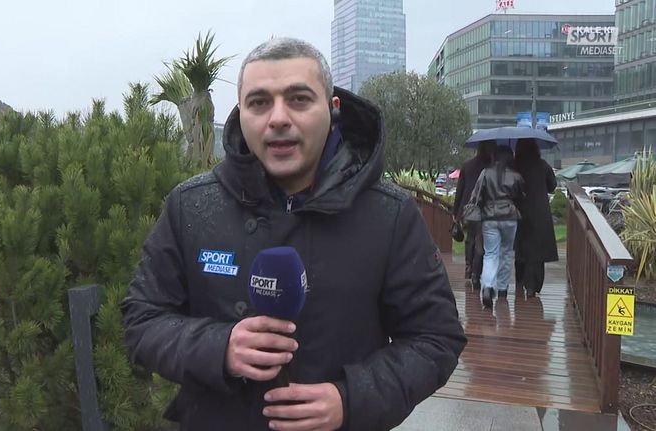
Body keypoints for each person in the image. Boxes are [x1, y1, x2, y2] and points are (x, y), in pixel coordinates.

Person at [120, 37, 466, 431]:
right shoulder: (190, 205)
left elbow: (435, 339)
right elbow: (142, 319)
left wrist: (351, 399)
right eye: (259, 102)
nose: (278, 118)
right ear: (241, 113)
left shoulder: (390, 215)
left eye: (299, 99)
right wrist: (220, 347)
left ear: (333, 108)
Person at [468, 145, 524, 309]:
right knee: (506, 253)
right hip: (510, 217)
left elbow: (476, 196)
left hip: (489, 217)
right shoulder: (516, 176)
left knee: (490, 254)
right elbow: (521, 197)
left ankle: (487, 287)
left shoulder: (485, 173)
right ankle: (502, 289)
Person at [513, 138, 558, 298]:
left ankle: (520, 280)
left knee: (521, 247)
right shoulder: (543, 165)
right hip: (540, 211)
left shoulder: (515, 165)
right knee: (537, 251)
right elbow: (552, 185)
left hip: (520, 210)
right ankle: (533, 286)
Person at [452, 141, 494, 291]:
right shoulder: (491, 167)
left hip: (467, 209)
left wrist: (455, 212)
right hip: (484, 209)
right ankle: (477, 272)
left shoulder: (467, 165)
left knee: (470, 239)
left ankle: (469, 268)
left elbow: (460, 190)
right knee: (480, 241)